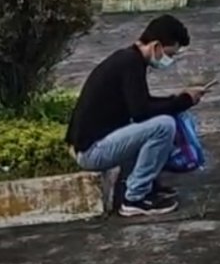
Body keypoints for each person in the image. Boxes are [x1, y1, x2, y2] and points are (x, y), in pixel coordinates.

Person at [65, 14, 207, 217]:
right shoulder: (130, 64)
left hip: (96, 143)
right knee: (164, 125)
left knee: (161, 120)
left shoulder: (129, 59)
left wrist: (180, 98)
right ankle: (135, 198)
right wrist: (183, 101)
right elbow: (141, 112)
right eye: (169, 54)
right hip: (91, 151)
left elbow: (142, 105)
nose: (169, 61)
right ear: (156, 46)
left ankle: (147, 186)